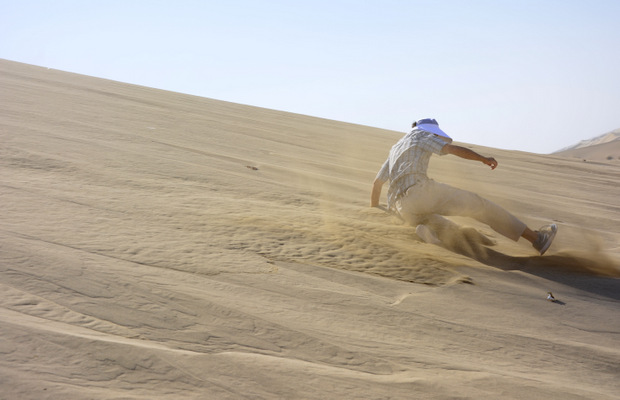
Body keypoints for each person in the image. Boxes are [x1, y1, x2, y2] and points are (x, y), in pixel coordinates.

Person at [370, 118, 557, 255]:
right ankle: (537, 239)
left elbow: (377, 184)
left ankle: (424, 229)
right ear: (431, 131)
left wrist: (375, 211)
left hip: (401, 208)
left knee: (443, 226)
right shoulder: (422, 135)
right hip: (420, 192)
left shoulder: (395, 148)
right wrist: (483, 159)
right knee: (479, 205)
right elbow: (452, 149)